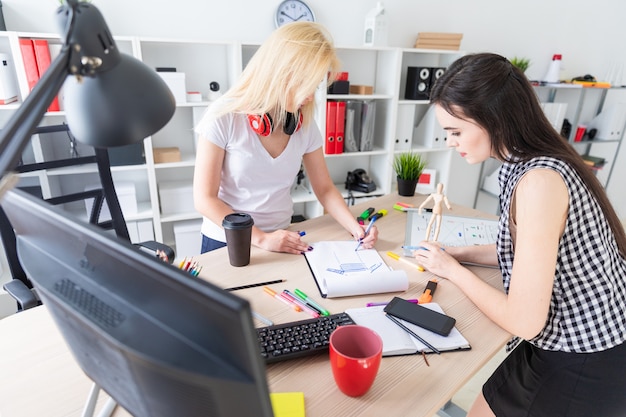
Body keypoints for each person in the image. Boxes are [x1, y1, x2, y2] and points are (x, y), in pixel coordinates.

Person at [413, 53, 626, 417]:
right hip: (571, 343)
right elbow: (527, 254)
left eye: (456, 131)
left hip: (586, 358)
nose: (451, 142)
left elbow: (525, 321)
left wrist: (452, 271)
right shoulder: (525, 164)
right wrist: (460, 253)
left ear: (491, 118)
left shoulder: (539, 182)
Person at [193, 22, 377, 255]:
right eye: (305, 85)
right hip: (226, 242)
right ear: (280, 73)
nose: (310, 97)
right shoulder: (223, 116)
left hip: (282, 239)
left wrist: (357, 228)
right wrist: (261, 239)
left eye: (316, 85)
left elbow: (325, 189)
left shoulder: (304, 124)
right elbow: (204, 199)